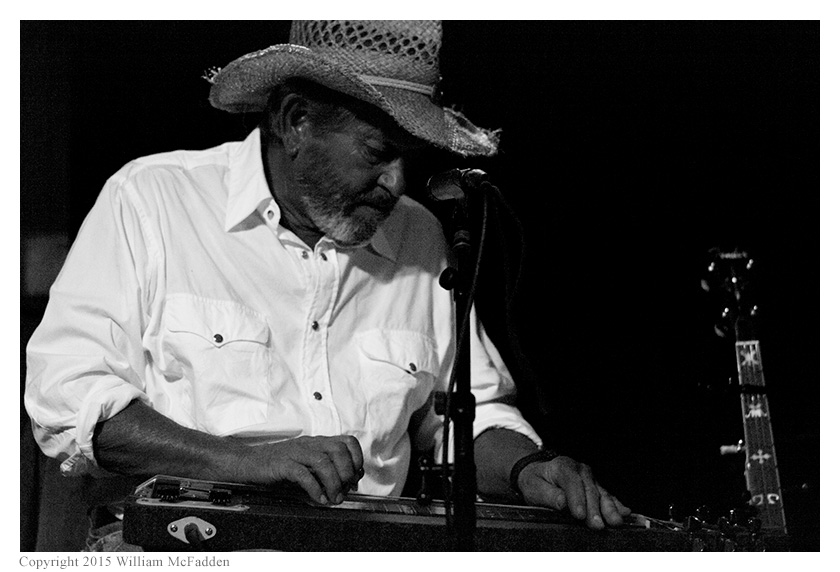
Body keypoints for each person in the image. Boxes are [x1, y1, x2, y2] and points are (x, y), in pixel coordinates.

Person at [24, 20, 630, 550]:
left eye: (408, 158)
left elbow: (464, 413)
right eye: (377, 152)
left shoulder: (417, 235)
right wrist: (245, 461)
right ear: (296, 120)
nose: (396, 183)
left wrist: (527, 468)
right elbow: (67, 398)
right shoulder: (153, 200)